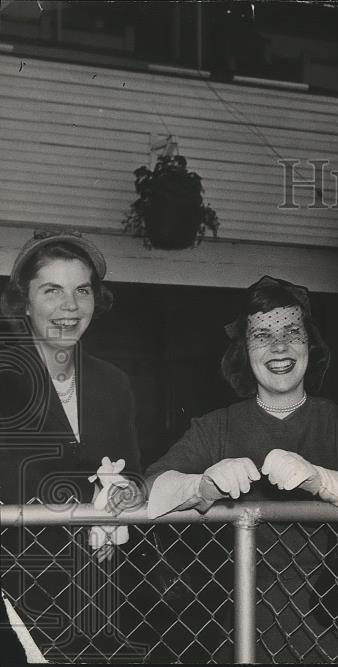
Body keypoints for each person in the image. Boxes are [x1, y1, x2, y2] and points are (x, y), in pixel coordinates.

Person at [144, 275, 338, 663]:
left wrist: (320, 479)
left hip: (335, 621)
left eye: (292, 331)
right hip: (246, 627)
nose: (280, 346)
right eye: (262, 335)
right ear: (243, 350)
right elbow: (151, 486)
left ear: (311, 343)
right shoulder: (216, 426)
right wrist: (203, 486)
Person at [0, 230, 145, 662]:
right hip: (14, 595)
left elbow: (135, 473)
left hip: (98, 595)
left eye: (82, 290)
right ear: (24, 303)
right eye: (52, 290)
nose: (70, 306)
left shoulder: (113, 383)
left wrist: (128, 491)